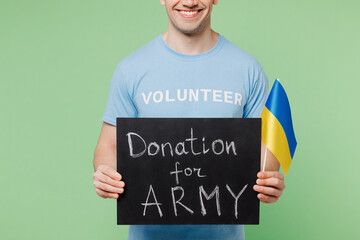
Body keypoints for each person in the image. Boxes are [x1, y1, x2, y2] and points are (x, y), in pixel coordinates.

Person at [93, 0, 286, 239]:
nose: (190, 2)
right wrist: (105, 174)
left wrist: (269, 183)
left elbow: (264, 157)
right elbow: (108, 145)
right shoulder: (130, 70)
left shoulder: (248, 69)